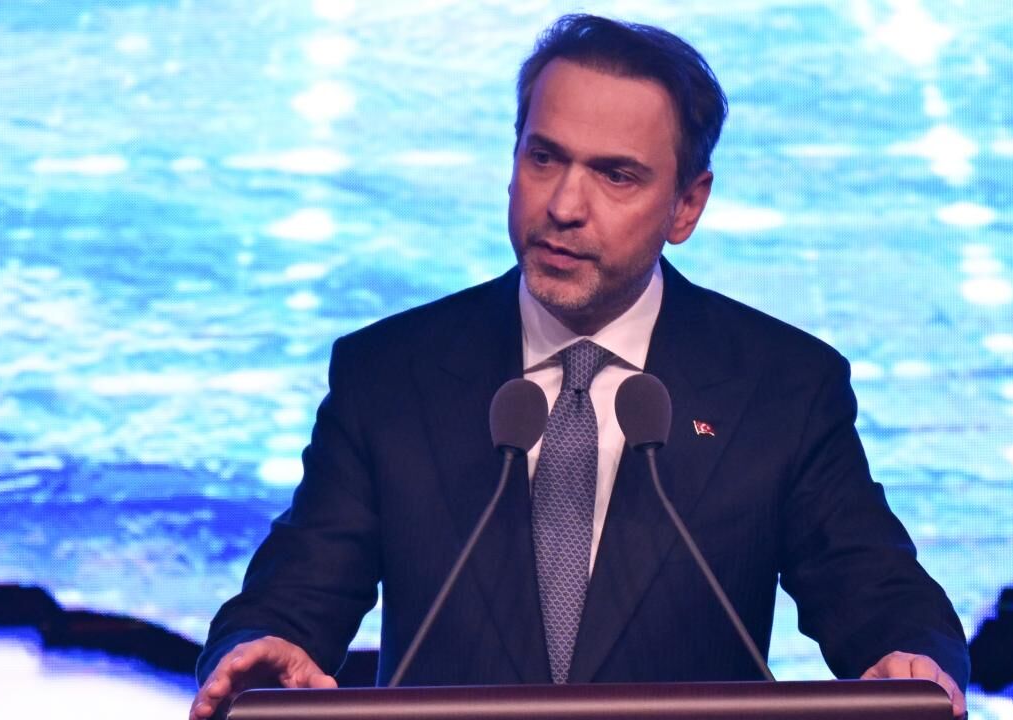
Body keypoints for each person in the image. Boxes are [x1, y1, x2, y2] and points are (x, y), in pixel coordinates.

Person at [190, 14, 969, 720]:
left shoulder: (781, 388)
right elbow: (297, 593)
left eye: (615, 175)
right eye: (544, 157)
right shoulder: (390, 375)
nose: (564, 205)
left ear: (687, 206)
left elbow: (878, 594)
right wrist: (259, 647)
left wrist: (910, 660)